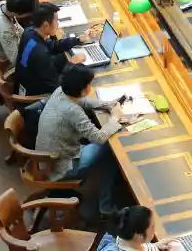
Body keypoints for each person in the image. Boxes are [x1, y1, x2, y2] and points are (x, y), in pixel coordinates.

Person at [35, 64, 125, 222]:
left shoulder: (60, 92)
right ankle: (106, 206)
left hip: (45, 159)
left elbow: (82, 102)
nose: (90, 87)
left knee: (106, 147)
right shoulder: (73, 112)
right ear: (83, 89)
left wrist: (107, 104)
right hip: (62, 166)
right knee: (110, 148)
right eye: (89, 84)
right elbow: (98, 137)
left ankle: (110, 193)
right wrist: (115, 119)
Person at [15, 4, 96, 95]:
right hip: (36, 92)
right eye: (56, 20)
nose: (58, 24)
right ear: (46, 25)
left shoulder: (29, 32)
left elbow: (52, 45)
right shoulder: (41, 54)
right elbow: (57, 84)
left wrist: (78, 40)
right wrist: (72, 63)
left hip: (27, 78)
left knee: (63, 58)